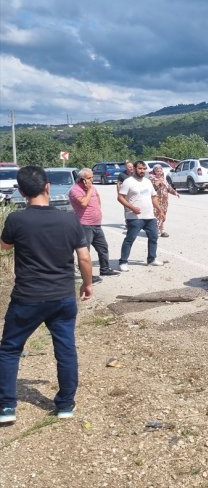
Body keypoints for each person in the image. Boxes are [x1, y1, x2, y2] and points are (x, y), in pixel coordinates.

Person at [0, 166, 93, 424]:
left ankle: (7, 407)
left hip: (27, 297)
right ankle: (65, 404)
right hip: (62, 297)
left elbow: (5, 245)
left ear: (21, 191)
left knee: (9, 350)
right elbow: (84, 257)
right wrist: (87, 285)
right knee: (65, 350)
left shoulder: (16, 220)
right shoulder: (69, 219)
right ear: (48, 186)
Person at [69, 168, 120, 279]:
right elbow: (83, 203)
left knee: (103, 247)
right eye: (89, 178)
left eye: (92, 177)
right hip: (84, 225)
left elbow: (97, 198)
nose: (92, 179)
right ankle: (87, 276)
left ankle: (105, 269)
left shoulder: (93, 188)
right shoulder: (75, 190)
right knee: (85, 252)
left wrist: (98, 210)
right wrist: (89, 191)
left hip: (96, 224)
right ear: (82, 180)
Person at [117, 160, 164, 271]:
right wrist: (132, 207)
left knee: (153, 237)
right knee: (130, 239)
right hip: (134, 217)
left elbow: (154, 197)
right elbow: (120, 197)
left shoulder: (147, 182)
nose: (142, 171)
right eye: (139, 168)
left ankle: (152, 259)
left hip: (150, 216)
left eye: (144, 169)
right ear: (134, 169)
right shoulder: (128, 182)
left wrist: (160, 210)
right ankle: (123, 262)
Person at [149, 164, 179, 237]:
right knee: (156, 215)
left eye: (160, 170)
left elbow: (168, 188)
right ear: (154, 171)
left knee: (163, 215)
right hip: (156, 201)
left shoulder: (164, 179)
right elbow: (150, 189)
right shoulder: (151, 179)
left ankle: (161, 229)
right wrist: (156, 184)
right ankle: (157, 230)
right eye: (157, 171)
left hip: (164, 201)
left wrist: (175, 193)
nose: (159, 172)